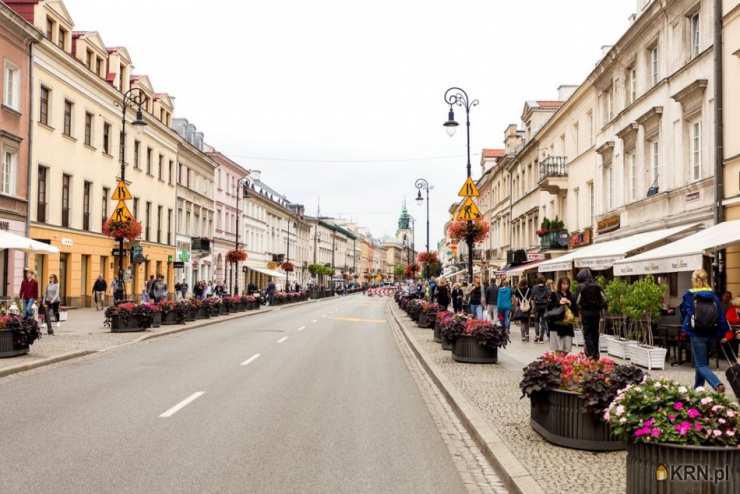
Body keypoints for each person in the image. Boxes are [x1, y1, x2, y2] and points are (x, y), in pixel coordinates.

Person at [680, 269, 728, 392]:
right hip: (711, 332)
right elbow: (721, 315)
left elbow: (685, 312)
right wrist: (722, 333)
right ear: (706, 280)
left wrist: (685, 328)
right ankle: (698, 389)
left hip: (696, 333)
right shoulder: (713, 295)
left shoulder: (689, 295)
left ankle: (717, 384)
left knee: (701, 364)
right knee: (701, 362)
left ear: (693, 280)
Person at [576, 269, 607, 359]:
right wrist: (600, 307)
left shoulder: (580, 287)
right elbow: (605, 299)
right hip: (596, 313)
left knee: (587, 333)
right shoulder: (598, 286)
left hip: (585, 313)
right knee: (595, 333)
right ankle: (596, 354)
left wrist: (580, 309)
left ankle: (591, 353)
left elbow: (577, 301)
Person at [548, 277, 577, 355]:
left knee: (566, 349)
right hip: (556, 325)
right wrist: (559, 303)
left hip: (567, 324)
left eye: (567, 284)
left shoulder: (571, 295)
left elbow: (575, 310)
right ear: (560, 284)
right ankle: (558, 364)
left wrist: (570, 303)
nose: (565, 286)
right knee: (557, 349)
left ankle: (560, 362)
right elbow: (549, 308)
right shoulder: (554, 294)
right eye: (563, 284)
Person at [531, 276, 550, 343]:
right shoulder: (546, 288)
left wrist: (533, 306)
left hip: (537, 306)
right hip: (544, 306)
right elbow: (548, 296)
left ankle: (537, 335)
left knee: (536, 321)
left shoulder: (534, 287)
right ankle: (541, 338)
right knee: (543, 322)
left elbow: (532, 297)